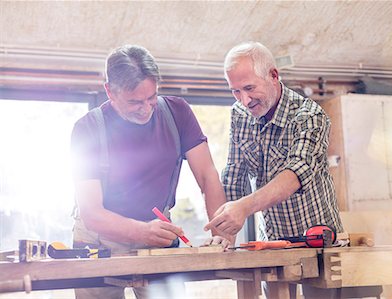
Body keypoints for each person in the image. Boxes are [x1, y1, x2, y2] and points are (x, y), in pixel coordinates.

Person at [71, 44, 228, 299]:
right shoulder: (87, 129)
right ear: (109, 91)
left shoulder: (178, 113)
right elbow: (91, 213)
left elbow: (208, 176)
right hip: (99, 240)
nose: (146, 108)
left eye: (151, 97)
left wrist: (219, 235)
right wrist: (143, 231)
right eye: (135, 102)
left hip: (158, 235)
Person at [204, 41, 344, 298]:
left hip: (316, 239)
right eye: (235, 91)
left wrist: (244, 208)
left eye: (249, 88)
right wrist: (224, 236)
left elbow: (294, 175)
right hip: (271, 239)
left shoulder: (310, 115)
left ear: (273, 75)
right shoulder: (240, 114)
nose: (244, 100)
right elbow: (235, 173)